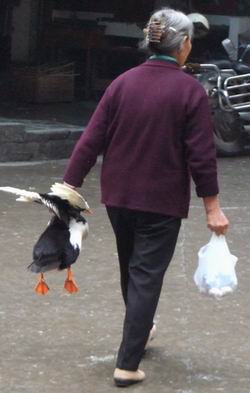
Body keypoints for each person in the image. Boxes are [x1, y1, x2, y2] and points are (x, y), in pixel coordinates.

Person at [63, 8, 229, 387]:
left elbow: (91, 140)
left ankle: (142, 329)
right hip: (160, 201)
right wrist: (213, 208)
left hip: (119, 197)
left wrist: (68, 187)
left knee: (133, 269)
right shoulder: (189, 90)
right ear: (184, 44)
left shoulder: (122, 83)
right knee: (145, 276)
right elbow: (201, 157)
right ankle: (127, 363)